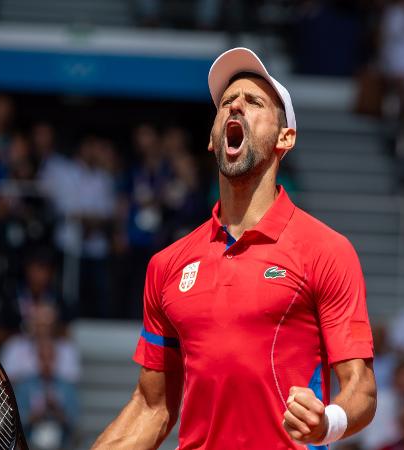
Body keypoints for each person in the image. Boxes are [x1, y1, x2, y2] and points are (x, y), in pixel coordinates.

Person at [92, 47, 376, 449]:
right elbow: (151, 407)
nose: (236, 106)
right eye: (226, 102)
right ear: (212, 139)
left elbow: (362, 389)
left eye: (254, 101)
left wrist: (327, 421)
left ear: (285, 137)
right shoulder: (166, 265)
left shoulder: (327, 250)